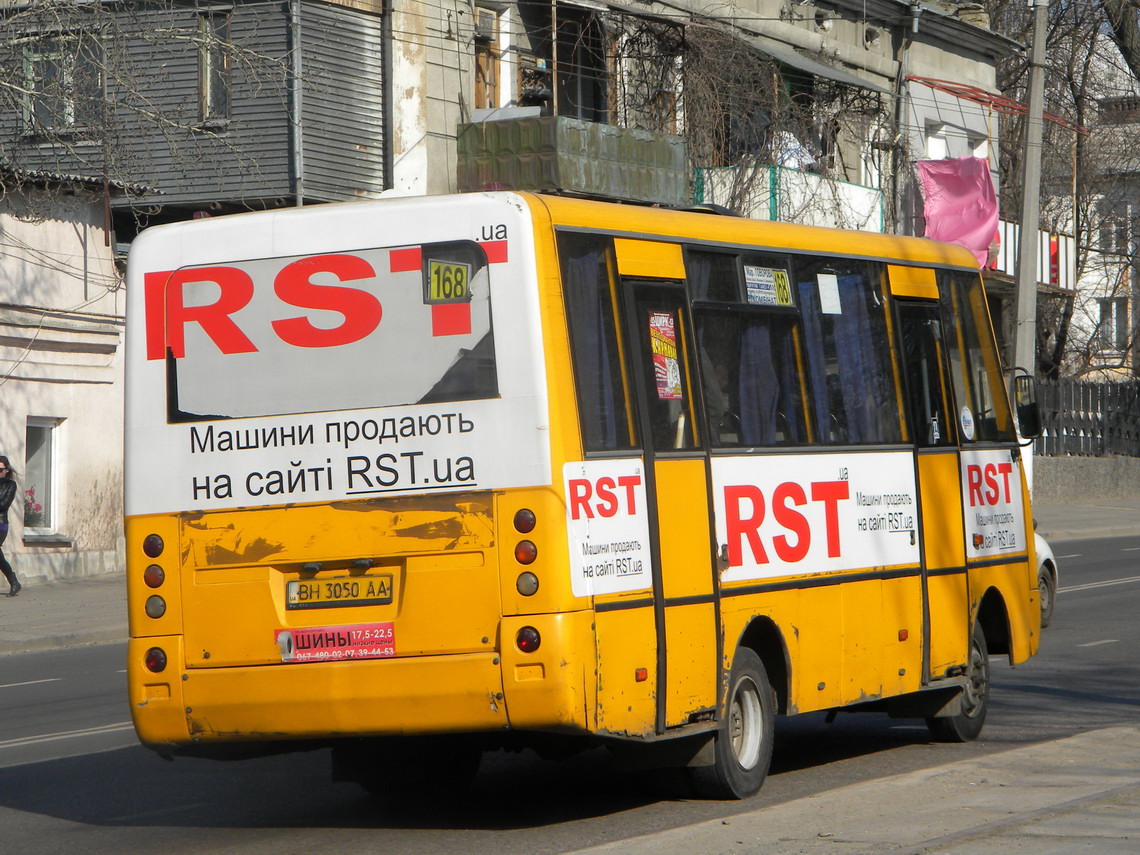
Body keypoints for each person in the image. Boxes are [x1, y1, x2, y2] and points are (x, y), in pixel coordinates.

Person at [0, 455, 21, 597]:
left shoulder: (10, 485)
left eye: (0, 468)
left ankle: (14, 581)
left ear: (6, 470)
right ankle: (14, 582)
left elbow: (3, 505)